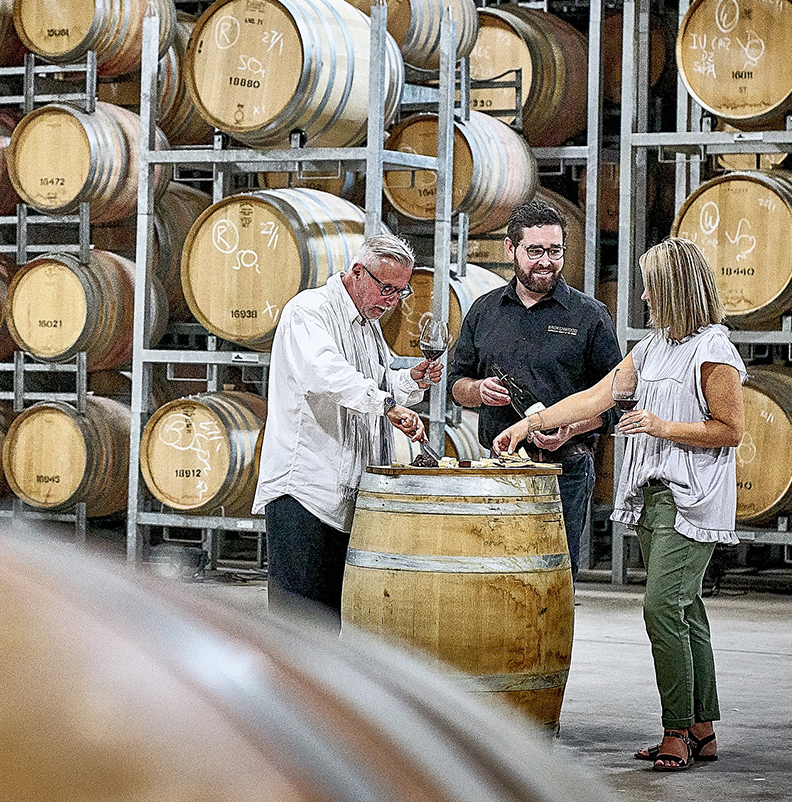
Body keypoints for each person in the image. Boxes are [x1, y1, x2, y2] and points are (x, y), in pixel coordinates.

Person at [492, 237, 745, 773]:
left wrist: (661, 426)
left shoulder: (713, 351)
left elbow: (731, 430)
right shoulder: (654, 347)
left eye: (653, 284)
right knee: (685, 608)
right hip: (653, 494)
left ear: (675, 288)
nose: (646, 295)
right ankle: (702, 728)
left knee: (661, 608)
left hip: (692, 496)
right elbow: (598, 395)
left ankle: (676, 729)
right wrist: (530, 422)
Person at [253, 233, 444, 622]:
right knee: (298, 622)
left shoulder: (367, 323)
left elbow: (377, 381)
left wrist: (413, 380)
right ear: (358, 272)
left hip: (345, 497)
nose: (392, 301)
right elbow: (328, 374)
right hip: (305, 491)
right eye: (386, 288)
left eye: (400, 292)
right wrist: (387, 404)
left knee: (330, 623)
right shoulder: (310, 311)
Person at [448, 197, 620, 567]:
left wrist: (571, 428)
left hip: (565, 469)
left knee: (554, 577)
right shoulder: (484, 310)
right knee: (497, 573)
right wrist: (477, 391)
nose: (546, 261)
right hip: (501, 467)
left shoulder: (589, 316)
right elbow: (456, 384)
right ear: (511, 248)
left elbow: (617, 400)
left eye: (555, 251)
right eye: (535, 250)